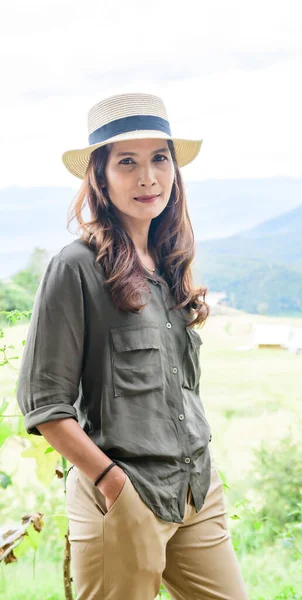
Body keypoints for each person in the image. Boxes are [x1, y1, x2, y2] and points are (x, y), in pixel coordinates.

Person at [16, 92, 249, 600]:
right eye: (128, 162)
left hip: (196, 488)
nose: (148, 177)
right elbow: (44, 404)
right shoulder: (75, 267)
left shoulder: (169, 260)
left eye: (159, 158)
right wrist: (114, 485)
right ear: (99, 176)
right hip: (123, 496)